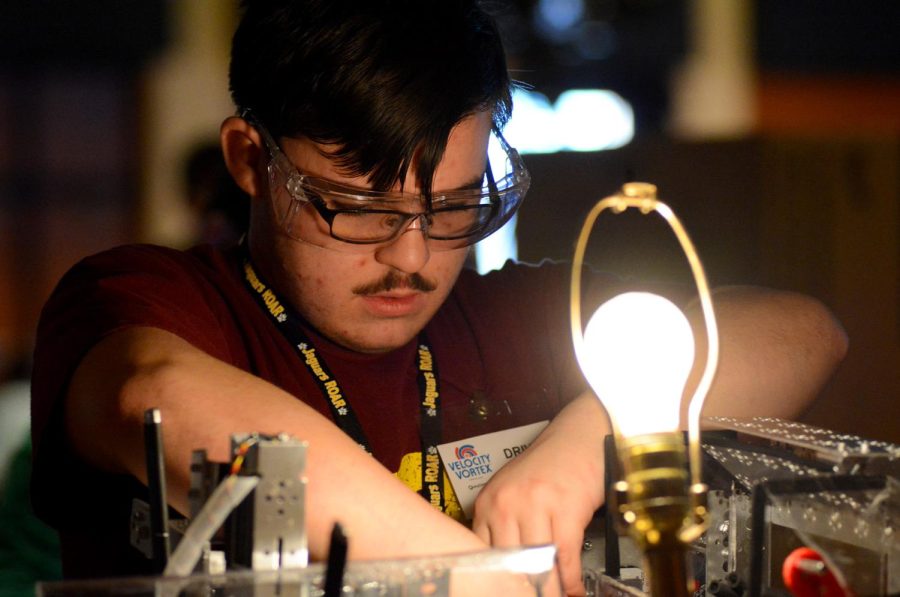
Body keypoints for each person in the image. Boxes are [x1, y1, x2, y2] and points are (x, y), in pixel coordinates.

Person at [30, 1, 847, 594]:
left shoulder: (512, 319)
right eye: (356, 208)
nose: (412, 259)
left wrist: (584, 445)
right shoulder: (152, 301)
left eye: (453, 207)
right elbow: (155, 395)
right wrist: (479, 579)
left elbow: (801, 332)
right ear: (251, 161)